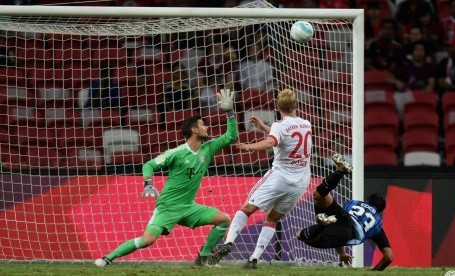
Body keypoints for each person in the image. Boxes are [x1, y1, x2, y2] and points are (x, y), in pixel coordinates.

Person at [94, 89, 238, 267]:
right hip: (167, 207)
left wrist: (230, 113)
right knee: (147, 240)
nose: (207, 127)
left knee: (224, 219)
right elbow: (149, 165)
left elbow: (232, 136)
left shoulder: (207, 148)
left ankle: (203, 256)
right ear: (194, 130)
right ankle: (107, 258)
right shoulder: (176, 153)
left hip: (188, 207)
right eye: (203, 125)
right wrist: (148, 183)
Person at [209, 89, 313, 269]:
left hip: (279, 177)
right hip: (300, 183)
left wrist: (249, 146)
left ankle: (229, 242)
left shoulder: (280, 126)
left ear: (278, 106)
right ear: (296, 105)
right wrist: (265, 127)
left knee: (247, 208)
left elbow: (272, 142)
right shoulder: (306, 124)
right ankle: (254, 259)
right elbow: (286, 137)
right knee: (272, 219)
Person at [296, 153, 393, 271]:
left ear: (367, 200)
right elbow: (388, 257)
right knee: (301, 235)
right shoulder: (377, 225)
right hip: (348, 232)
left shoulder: (355, 203)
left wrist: (341, 253)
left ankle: (339, 172)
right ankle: (323, 224)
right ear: (380, 211)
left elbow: (341, 224)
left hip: (344, 217)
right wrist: (372, 272)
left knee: (319, 195)